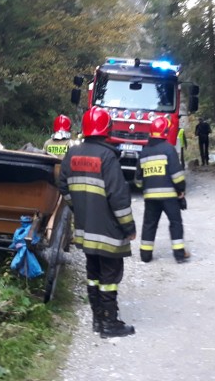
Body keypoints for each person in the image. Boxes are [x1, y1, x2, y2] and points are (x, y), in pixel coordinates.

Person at [58, 107, 137, 338]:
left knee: (93, 274)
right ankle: (110, 324)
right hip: (109, 233)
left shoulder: (72, 154)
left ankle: (97, 321)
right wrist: (129, 227)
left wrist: (78, 208)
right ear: (106, 129)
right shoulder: (107, 156)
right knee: (110, 279)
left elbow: (63, 187)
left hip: (86, 231)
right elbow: (119, 197)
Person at [135, 116, 189, 264]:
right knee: (175, 222)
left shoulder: (144, 152)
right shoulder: (168, 149)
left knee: (149, 224)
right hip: (169, 196)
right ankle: (179, 255)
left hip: (150, 198)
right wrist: (181, 190)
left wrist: (145, 187)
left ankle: (145, 255)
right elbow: (177, 175)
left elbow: (138, 180)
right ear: (165, 132)